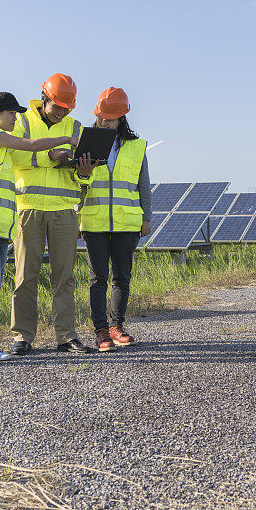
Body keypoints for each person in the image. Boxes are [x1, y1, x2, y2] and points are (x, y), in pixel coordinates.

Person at [0, 92, 81, 365]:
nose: (16, 118)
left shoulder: (1, 146)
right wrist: (66, 139)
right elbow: (31, 144)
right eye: (11, 114)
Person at [8, 73, 96, 356]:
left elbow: (85, 180)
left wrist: (84, 173)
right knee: (25, 276)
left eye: (66, 109)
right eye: (57, 107)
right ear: (43, 98)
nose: (61, 113)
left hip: (64, 211)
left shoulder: (77, 127)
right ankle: (23, 336)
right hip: (29, 209)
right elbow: (15, 156)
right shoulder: (21, 122)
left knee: (64, 277)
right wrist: (51, 155)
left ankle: (66, 336)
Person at [80, 87, 152, 352]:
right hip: (94, 222)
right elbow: (78, 183)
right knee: (97, 278)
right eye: (102, 116)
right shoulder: (85, 142)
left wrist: (147, 218)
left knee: (122, 277)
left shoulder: (136, 147)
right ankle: (100, 332)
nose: (105, 121)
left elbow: (143, 186)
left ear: (122, 118)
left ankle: (117, 326)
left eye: (110, 118)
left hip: (127, 222)